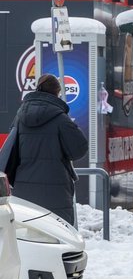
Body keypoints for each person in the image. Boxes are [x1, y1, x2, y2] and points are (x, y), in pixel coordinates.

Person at [8, 74, 88, 226]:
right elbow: (79, 149)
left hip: (23, 190)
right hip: (56, 191)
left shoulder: (20, 117)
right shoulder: (61, 118)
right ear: (57, 93)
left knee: (28, 233)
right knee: (58, 233)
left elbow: (11, 149)